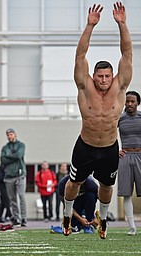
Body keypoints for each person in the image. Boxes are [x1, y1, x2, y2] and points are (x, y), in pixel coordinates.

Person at [63, 2, 132, 239]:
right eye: (99, 76)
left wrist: (122, 24)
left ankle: (102, 220)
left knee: (106, 187)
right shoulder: (85, 86)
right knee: (74, 183)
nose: (103, 80)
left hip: (110, 148)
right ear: (93, 76)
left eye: (107, 76)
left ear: (113, 77)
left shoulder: (120, 87)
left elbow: (127, 53)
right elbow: (80, 55)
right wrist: (90, 25)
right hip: (85, 145)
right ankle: (66, 214)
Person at [117, 91, 141, 236]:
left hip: (140, 155)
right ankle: (132, 227)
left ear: (138, 103)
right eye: (127, 101)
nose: (129, 104)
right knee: (126, 194)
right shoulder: (119, 118)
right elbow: (109, 133)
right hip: (125, 156)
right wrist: (115, 151)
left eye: (132, 101)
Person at [0, 128, 27, 227]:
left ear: (15, 135)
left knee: (21, 197)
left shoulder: (21, 145)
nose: (9, 136)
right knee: (12, 199)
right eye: (7, 135)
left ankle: (23, 218)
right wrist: (12, 156)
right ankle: (16, 218)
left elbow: (19, 155)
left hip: (20, 175)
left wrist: (9, 156)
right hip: (8, 176)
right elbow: (3, 160)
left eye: (11, 134)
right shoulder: (5, 148)